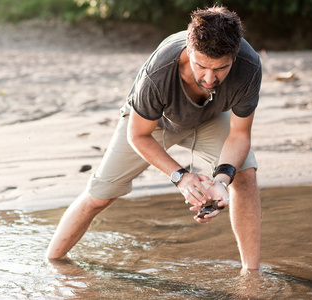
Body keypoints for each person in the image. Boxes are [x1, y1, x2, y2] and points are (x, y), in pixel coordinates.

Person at [47, 5, 262, 273]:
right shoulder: (160, 71)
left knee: (244, 174)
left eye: (221, 68)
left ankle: (252, 274)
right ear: (188, 47)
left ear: (235, 55)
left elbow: (240, 134)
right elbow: (137, 134)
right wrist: (181, 177)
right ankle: (52, 263)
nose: (209, 78)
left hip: (208, 118)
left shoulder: (249, 66)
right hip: (152, 124)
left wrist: (221, 180)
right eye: (201, 66)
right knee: (100, 195)